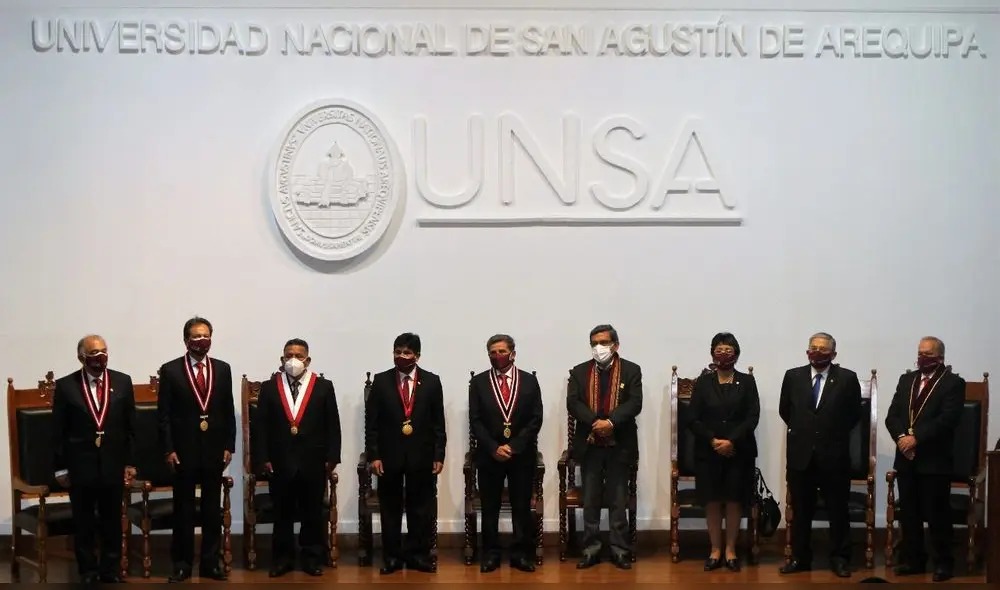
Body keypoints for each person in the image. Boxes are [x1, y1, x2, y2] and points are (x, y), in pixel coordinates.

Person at [52, 335, 137, 583]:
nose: (100, 356)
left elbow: (131, 427)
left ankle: (110, 570)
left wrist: (130, 463)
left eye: (103, 351)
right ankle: (88, 570)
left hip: (113, 464)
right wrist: (60, 468)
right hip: (81, 467)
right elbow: (58, 432)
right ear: (81, 357)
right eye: (94, 352)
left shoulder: (122, 382)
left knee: (112, 521)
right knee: (84, 522)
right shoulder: (67, 386)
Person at [156, 317, 235, 583]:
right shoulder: (171, 370)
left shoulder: (223, 369)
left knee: (212, 511)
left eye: (206, 335)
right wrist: (168, 449)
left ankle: (211, 564)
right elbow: (164, 415)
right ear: (186, 340)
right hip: (183, 451)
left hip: (214, 452)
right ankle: (182, 564)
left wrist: (229, 446)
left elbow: (227, 412)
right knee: (184, 511)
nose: (201, 340)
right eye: (196, 336)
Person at [256, 338, 342, 578]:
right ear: (282, 359)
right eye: (288, 355)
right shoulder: (270, 386)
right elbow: (260, 427)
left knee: (312, 513)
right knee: (281, 513)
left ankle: (312, 558)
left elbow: (332, 425)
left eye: (299, 355)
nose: (293, 360)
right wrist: (263, 458)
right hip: (280, 462)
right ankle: (282, 559)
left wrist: (332, 457)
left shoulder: (324, 386)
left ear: (308, 360)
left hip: (313, 461)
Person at [779, 332, 861, 578]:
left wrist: (829, 433)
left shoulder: (847, 379)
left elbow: (853, 415)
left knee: (838, 510)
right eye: (813, 347)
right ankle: (800, 558)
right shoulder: (793, 377)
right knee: (802, 511)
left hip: (834, 456)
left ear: (833, 354)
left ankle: (839, 558)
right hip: (801, 455)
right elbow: (786, 410)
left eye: (823, 349)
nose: (817, 352)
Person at [364, 332, 446, 575]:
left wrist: (439, 455)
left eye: (407, 352)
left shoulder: (431, 382)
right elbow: (372, 425)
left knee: (420, 509)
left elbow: (438, 423)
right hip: (389, 457)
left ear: (417, 356)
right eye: (397, 352)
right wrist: (374, 455)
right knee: (390, 508)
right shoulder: (381, 381)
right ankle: (391, 557)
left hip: (422, 456)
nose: (402, 356)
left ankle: (417, 555)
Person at [885, 336, 965, 582]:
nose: (922, 358)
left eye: (927, 354)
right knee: (909, 513)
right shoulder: (906, 380)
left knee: (937, 513)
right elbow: (893, 415)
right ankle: (914, 560)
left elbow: (947, 419)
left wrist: (915, 439)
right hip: (906, 457)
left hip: (934, 460)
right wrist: (901, 439)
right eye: (920, 353)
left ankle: (943, 563)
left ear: (940, 357)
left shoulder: (953, 383)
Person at [567, 324, 642, 570]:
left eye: (603, 343)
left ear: (615, 345)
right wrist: (595, 423)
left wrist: (610, 422)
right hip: (590, 445)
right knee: (591, 501)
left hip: (619, 444)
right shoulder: (579, 372)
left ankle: (620, 549)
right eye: (594, 343)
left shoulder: (631, 370)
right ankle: (591, 550)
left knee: (618, 501)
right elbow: (573, 403)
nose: (599, 348)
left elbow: (634, 403)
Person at [469, 334, 543, 573]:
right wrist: (493, 447)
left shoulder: (529, 382)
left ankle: (521, 554)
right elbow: (476, 420)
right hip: (489, 455)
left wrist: (514, 446)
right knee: (490, 507)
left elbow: (535, 419)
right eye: (492, 352)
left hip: (521, 455)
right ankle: (490, 554)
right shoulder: (479, 383)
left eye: (501, 351)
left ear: (513, 353)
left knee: (521, 506)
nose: (497, 356)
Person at [686, 332, 760, 572]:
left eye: (728, 351)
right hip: (708, 452)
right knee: (712, 501)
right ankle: (715, 550)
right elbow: (693, 418)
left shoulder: (747, 382)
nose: (723, 355)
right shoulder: (703, 382)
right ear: (711, 353)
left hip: (739, 452)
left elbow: (752, 417)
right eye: (719, 350)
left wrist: (732, 441)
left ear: (736, 354)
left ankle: (730, 550)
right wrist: (713, 441)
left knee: (734, 500)